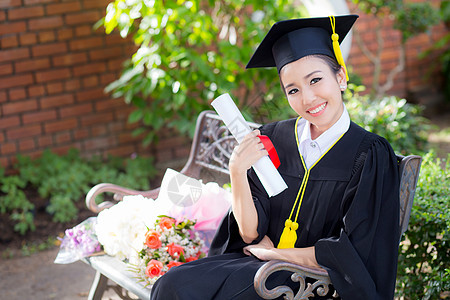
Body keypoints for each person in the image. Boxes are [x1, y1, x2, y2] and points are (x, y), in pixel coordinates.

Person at [150, 14, 400, 300]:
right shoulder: (276, 138)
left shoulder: (369, 154)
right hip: (261, 269)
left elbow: (354, 250)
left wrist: (277, 254)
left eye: (316, 80)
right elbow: (248, 234)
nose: (307, 99)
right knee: (172, 283)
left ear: (340, 77)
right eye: (293, 90)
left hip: (313, 283)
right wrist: (237, 171)